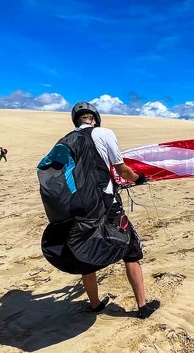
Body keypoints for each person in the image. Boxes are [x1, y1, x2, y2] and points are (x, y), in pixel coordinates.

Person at [67, 101, 159, 318]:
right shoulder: (104, 133)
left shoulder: (67, 141)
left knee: (86, 252)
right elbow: (121, 169)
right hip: (106, 203)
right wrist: (138, 178)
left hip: (80, 206)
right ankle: (143, 307)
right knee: (131, 249)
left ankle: (95, 304)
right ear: (95, 118)